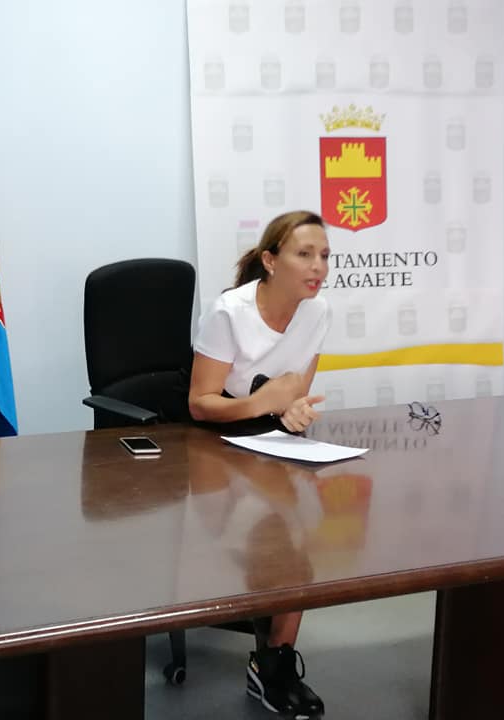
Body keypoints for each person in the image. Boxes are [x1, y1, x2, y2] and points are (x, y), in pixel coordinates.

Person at [188, 210, 331, 719]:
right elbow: (200, 403)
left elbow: (296, 391)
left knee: (299, 541)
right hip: (217, 442)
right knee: (264, 547)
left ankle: (276, 663)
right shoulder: (230, 312)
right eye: (304, 254)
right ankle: (269, 664)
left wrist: (293, 410)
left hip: (276, 440)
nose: (317, 267)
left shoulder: (318, 312)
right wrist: (262, 403)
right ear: (270, 261)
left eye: (324, 256)